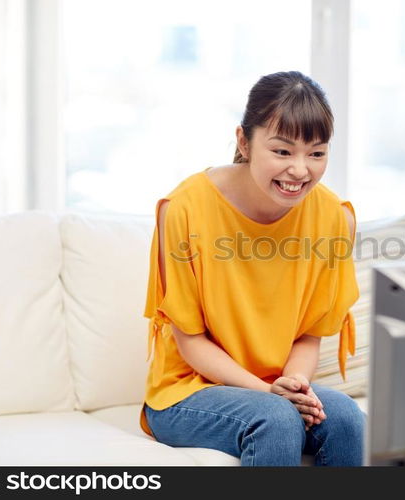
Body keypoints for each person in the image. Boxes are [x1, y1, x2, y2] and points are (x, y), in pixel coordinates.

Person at [140, 71, 365, 466]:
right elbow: (190, 342)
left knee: (347, 417)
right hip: (188, 393)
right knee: (276, 419)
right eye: (282, 151)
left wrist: (294, 384)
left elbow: (309, 336)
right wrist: (270, 395)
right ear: (244, 141)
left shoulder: (333, 217)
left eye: (316, 153)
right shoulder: (185, 209)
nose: (300, 170)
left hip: (276, 388)